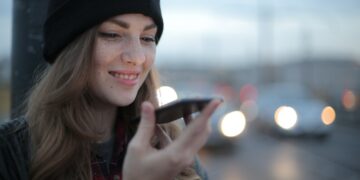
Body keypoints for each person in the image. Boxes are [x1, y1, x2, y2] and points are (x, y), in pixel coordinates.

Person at [0, 0, 222, 179]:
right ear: (71, 46)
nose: (136, 57)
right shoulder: (9, 152)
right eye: (113, 34)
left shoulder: (169, 148)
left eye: (147, 38)